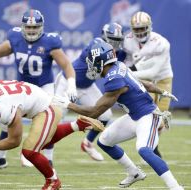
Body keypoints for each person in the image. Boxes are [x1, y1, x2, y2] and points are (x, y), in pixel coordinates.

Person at [52, 41, 183, 190]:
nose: (91, 66)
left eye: (93, 62)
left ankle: (175, 187)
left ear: (101, 62)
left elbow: (95, 112)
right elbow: (142, 83)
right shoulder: (119, 66)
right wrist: (161, 91)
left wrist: (68, 104)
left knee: (144, 149)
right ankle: (134, 173)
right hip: (135, 116)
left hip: (148, 116)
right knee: (104, 141)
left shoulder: (115, 80)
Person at [0, 9, 77, 172]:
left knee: (47, 124)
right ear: (22, 27)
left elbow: (66, 65)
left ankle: (48, 160)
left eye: (35, 27)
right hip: (22, 87)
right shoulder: (15, 38)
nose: (32, 30)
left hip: (43, 87)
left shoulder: (50, 42)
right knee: (6, 121)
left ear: (41, 27)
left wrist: (71, 84)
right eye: (28, 27)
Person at [0, 79, 104, 190]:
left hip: (48, 109)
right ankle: (78, 124)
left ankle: (53, 181)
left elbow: (14, 141)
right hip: (42, 102)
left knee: (29, 151)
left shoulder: (4, 108)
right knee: (42, 143)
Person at [54, 23, 124, 161]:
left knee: (105, 115)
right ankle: (39, 150)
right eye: (112, 40)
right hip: (68, 82)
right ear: (104, 36)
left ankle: (88, 143)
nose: (115, 44)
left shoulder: (118, 53)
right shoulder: (97, 45)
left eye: (117, 40)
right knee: (55, 119)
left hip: (87, 86)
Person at [123, 11, 174, 158]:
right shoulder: (128, 40)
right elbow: (129, 63)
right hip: (144, 80)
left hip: (163, 78)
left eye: (142, 28)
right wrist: (127, 70)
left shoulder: (161, 43)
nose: (139, 32)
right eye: (136, 29)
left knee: (161, 119)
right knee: (149, 113)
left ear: (149, 27)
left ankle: (153, 145)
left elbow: (153, 72)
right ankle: (149, 148)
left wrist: (127, 74)